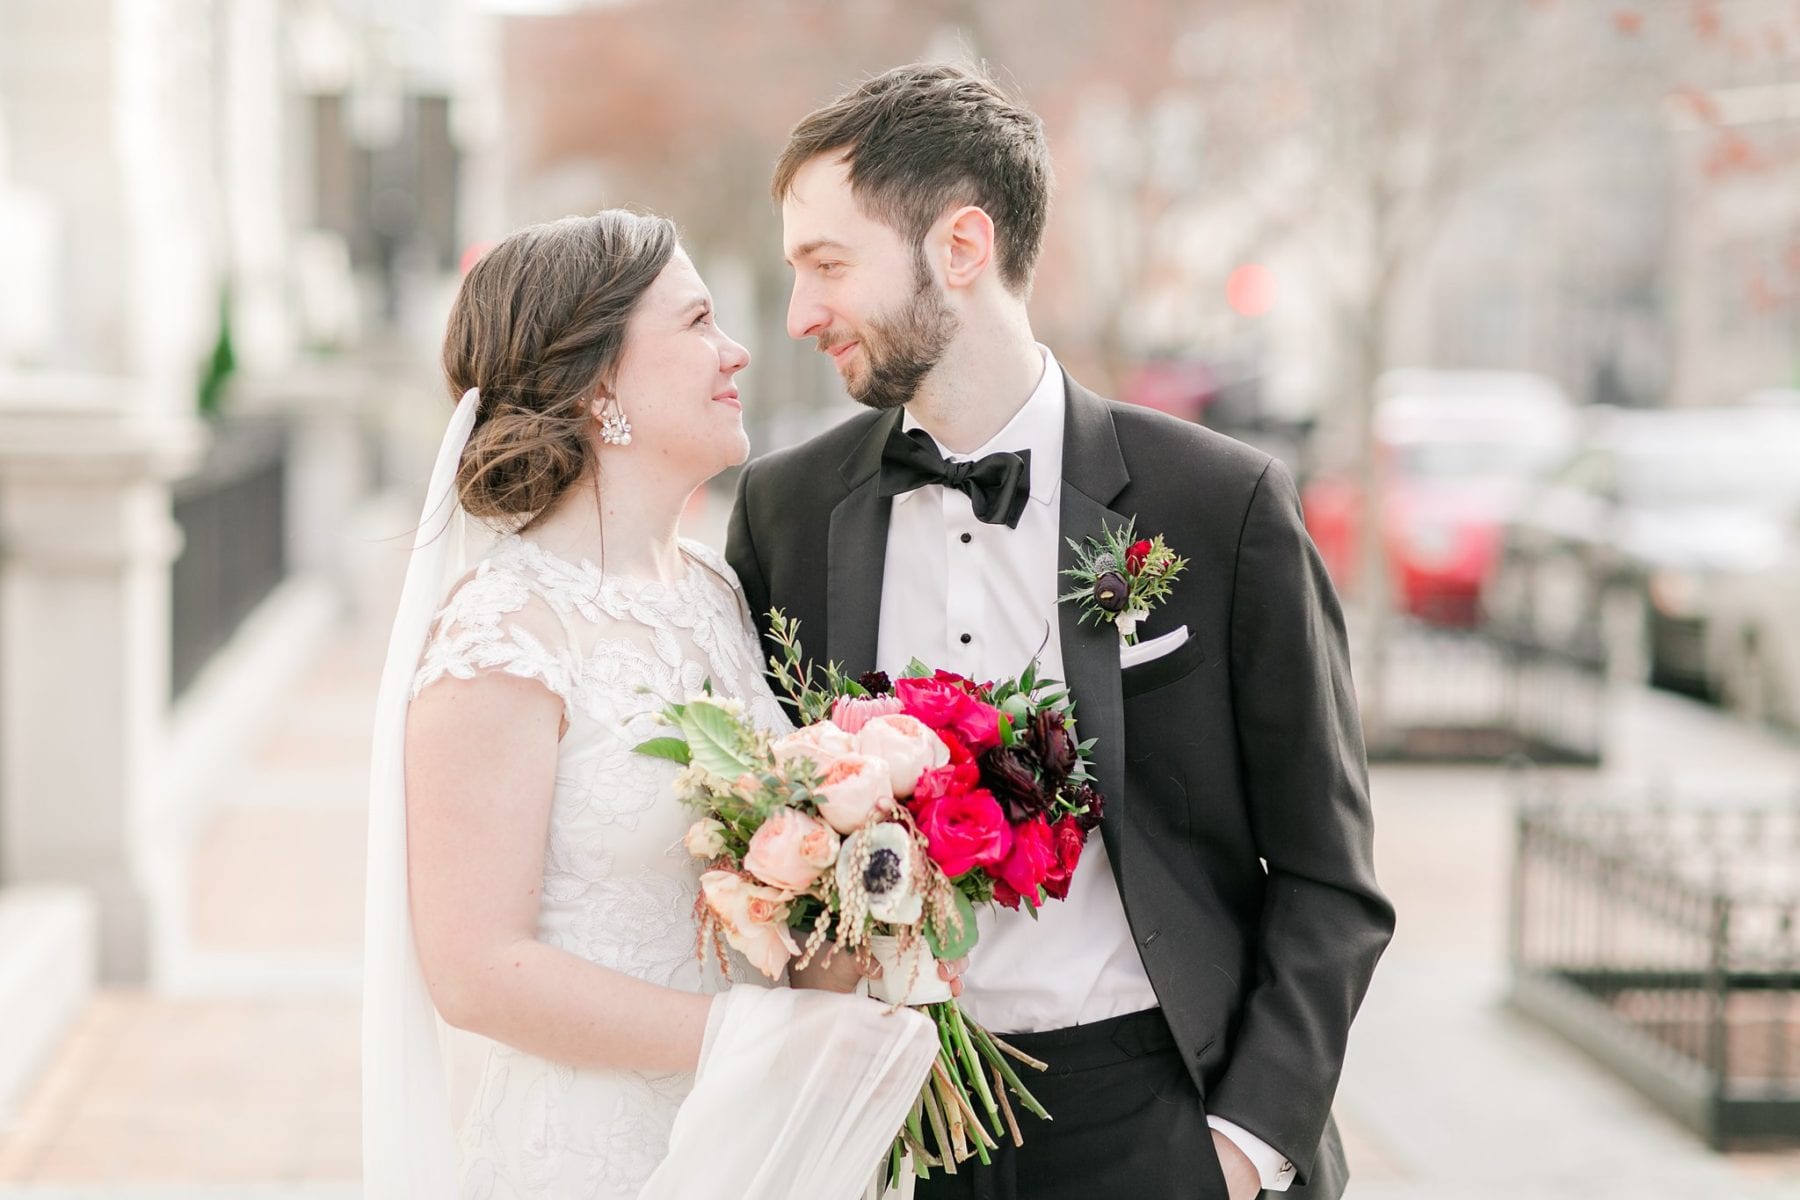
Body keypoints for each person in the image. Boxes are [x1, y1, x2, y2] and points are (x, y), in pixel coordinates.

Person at [728, 64, 1396, 1200]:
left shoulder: (1219, 507)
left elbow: (1331, 877)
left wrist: (1238, 1151)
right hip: (887, 1130)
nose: (802, 314)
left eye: (827, 265)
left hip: (1151, 1114)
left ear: (961, 247)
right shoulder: (784, 512)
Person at [361, 209, 937, 1199]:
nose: (738, 350)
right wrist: (755, 1040)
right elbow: (473, 970)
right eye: (699, 322)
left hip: (762, 1146)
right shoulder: (503, 634)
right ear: (599, 383)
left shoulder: (715, 594)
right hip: (600, 1157)